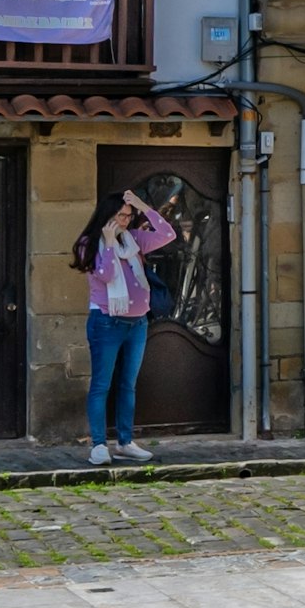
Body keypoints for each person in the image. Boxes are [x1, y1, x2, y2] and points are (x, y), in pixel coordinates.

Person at [79, 187, 174, 466]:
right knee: (101, 384)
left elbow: (168, 234)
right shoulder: (90, 243)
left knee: (127, 384)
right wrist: (108, 243)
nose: (125, 221)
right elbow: (107, 275)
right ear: (107, 216)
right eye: (120, 216)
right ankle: (98, 445)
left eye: (128, 216)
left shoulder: (134, 239)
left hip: (138, 323)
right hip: (106, 322)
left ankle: (125, 442)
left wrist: (144, 206)